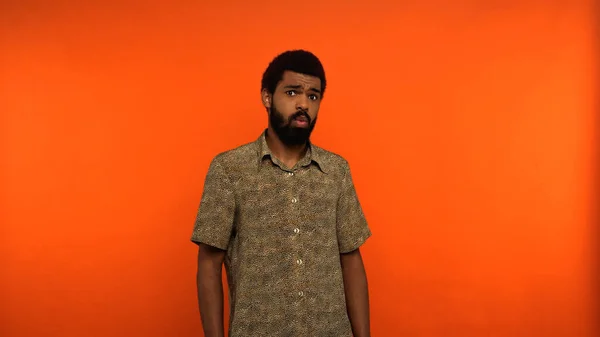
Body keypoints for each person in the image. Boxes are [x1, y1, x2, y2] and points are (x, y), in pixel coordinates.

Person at [191, 49, 372, 337]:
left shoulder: (337, 171)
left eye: (313, 96)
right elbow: (209, 263)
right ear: (267, 97)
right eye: (292, 92)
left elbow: (351, 258)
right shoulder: (229, 169)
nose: (303, 104)